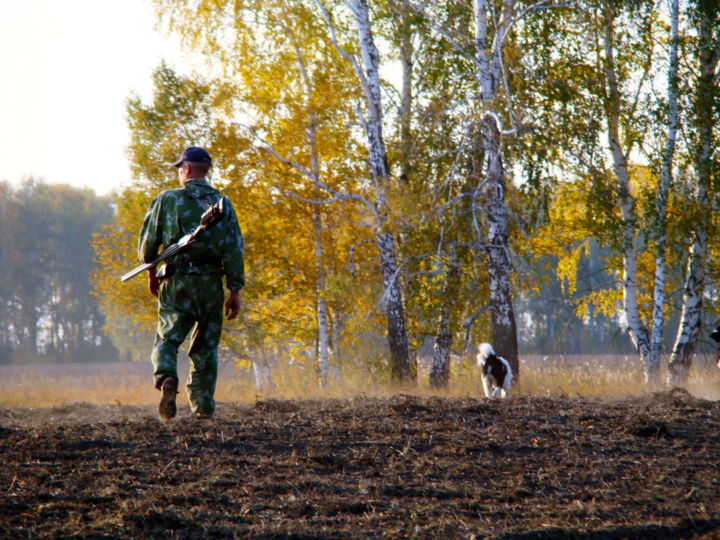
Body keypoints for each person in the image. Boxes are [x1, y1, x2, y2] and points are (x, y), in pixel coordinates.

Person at [138, 146, 245, 420]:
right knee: (206, 347)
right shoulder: (224, 203)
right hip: (210, 283)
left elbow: (148, 246)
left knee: (167, 337)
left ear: (185, 169)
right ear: (205, 170)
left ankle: (166, 379)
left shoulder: (167, 199)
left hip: (176, 280)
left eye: (179, 168)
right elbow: (234, 250)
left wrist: (152, 274)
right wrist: (234, 291)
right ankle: (203, 407)